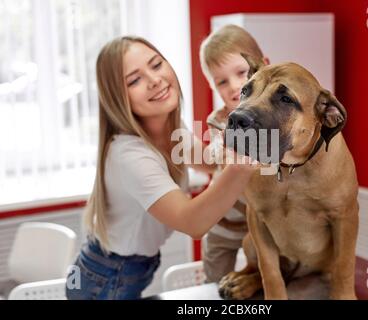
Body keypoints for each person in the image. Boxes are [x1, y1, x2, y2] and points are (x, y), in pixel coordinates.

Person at [65, 36, 258, 300]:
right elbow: (193, 222)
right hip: (105, 276)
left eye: (156, 65)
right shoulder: (129, 155)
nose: (154, 79)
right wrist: (243, 164)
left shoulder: (172, 128)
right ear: (117, 98)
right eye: (134, 80)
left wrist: (232, 131)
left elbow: (209, 162)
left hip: (133, 267)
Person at [199, 25, 269, 283]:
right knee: (214, 287)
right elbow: (217, 151)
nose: (235, 86)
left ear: (263, 67)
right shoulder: (220, 120)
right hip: (222, 222)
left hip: (260, 227)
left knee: (263, 281)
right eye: (222, 81)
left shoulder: (274, 118)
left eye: (241, 73)